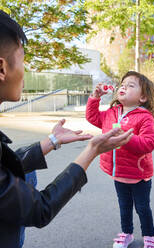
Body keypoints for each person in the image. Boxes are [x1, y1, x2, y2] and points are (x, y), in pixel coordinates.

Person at [0, 10, 133, 248]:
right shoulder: (113, 110)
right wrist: (92, 149)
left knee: (27, 173)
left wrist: (52, 141)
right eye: (23, 61)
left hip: (135, 177)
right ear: (2, 69)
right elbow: (40, 209)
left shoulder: (141, 115)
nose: (25, 71)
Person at [86, 71, 154, 248]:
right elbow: (93, 117)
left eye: (131, 85)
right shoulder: (111, 113)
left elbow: (148, 143)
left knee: (142, 208)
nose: (124, 86)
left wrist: (126, 138)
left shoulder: (144, 117)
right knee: (124, 206)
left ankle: (149, 238)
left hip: (139, 175)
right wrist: (95, 98)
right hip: (119, 173)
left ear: (142, 97)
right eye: (123, 84)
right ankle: (127, 234)